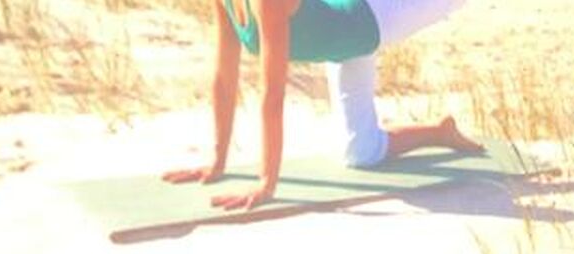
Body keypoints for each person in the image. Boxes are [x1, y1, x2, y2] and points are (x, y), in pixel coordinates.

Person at [163, 0, 488, 211]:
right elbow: (224, 78)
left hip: (373, 19)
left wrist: (267, 183)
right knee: (362, 153)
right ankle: (440, 132)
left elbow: (272, 96)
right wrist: (217, 162)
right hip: (346, 45)